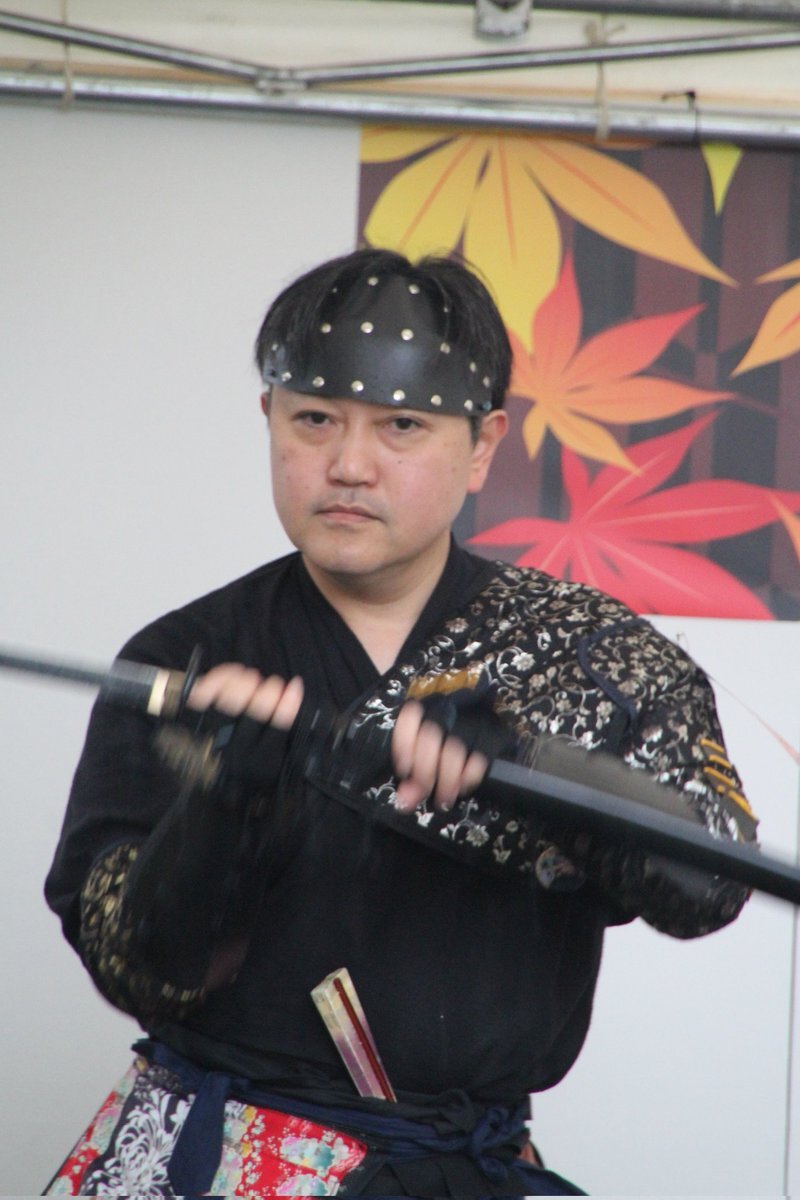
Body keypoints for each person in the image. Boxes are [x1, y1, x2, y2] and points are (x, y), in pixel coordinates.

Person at [44, 248, 758, 1198]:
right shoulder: (187, 659)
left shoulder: (592, 658)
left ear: (484, 443)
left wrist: (529, 764)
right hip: (219, 1163)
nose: (348, 465)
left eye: (403, 427)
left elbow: (708, 882)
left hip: (465, 1168)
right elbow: (132, 968)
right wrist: (223, 802)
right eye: (313, 419)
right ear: (268, 418)